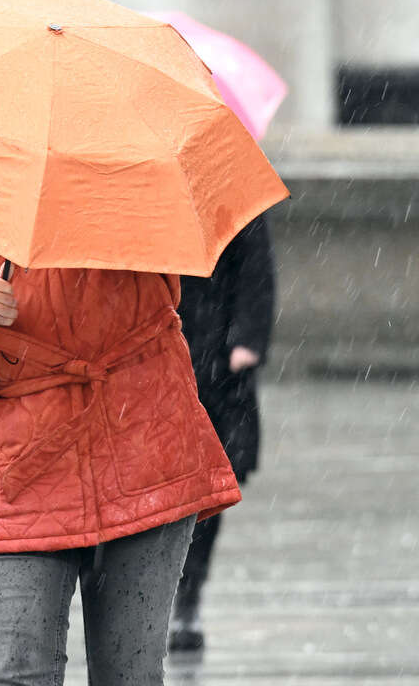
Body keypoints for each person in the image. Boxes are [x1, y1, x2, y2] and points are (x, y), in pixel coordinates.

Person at [0, 236, 244, 685]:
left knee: (130, 675)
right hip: (19, 468)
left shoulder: (132, 198)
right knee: (20, 674)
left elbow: (165, 298)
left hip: (142, 450)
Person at [171, 213, 276, 652]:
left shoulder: (232, 200)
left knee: (207, 497)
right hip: (167, 358)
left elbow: (256, 271)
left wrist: (245, 342)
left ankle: (187, 594)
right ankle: (172, 596)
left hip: (215, 366)